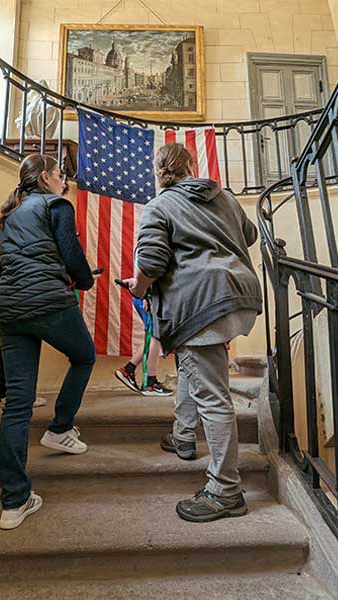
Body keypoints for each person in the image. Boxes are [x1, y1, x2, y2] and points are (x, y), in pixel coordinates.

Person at [123, 143, 261, 523]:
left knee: (213, 397)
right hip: (237, 292)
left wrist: (136, 287)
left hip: (198, 302)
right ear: (189, 166)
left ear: (158, 172)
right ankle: (184, 435)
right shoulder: (226, 197)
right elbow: (248, 235)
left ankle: (225, 490)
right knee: (191, 366)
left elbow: (150, 262)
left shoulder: (159, 206)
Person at [0, 154, 96, 530]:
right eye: (61, 176)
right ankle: (59, 429)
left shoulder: (9, 213)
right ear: (47, 178)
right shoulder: (56, 205)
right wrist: (85, 281)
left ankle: (14, 502)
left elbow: (1, 265)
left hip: (10, 309)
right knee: (84, 357)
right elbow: (71, 253)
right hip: (49, 302)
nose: (65, 182)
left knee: (17, 405)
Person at [0, 254, 46, 409]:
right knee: (23, 340)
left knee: (14, 339)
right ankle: (7, 393)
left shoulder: (9, 232)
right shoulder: (27, 233)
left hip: (8, 289)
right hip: (21, 290)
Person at [114, 297, 173, 396]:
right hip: (150, 298)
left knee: (154, 335)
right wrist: (146, 296)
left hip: (148, 298)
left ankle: (128, 370)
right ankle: (150, 384)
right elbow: (149, 280)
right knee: (155, 335)